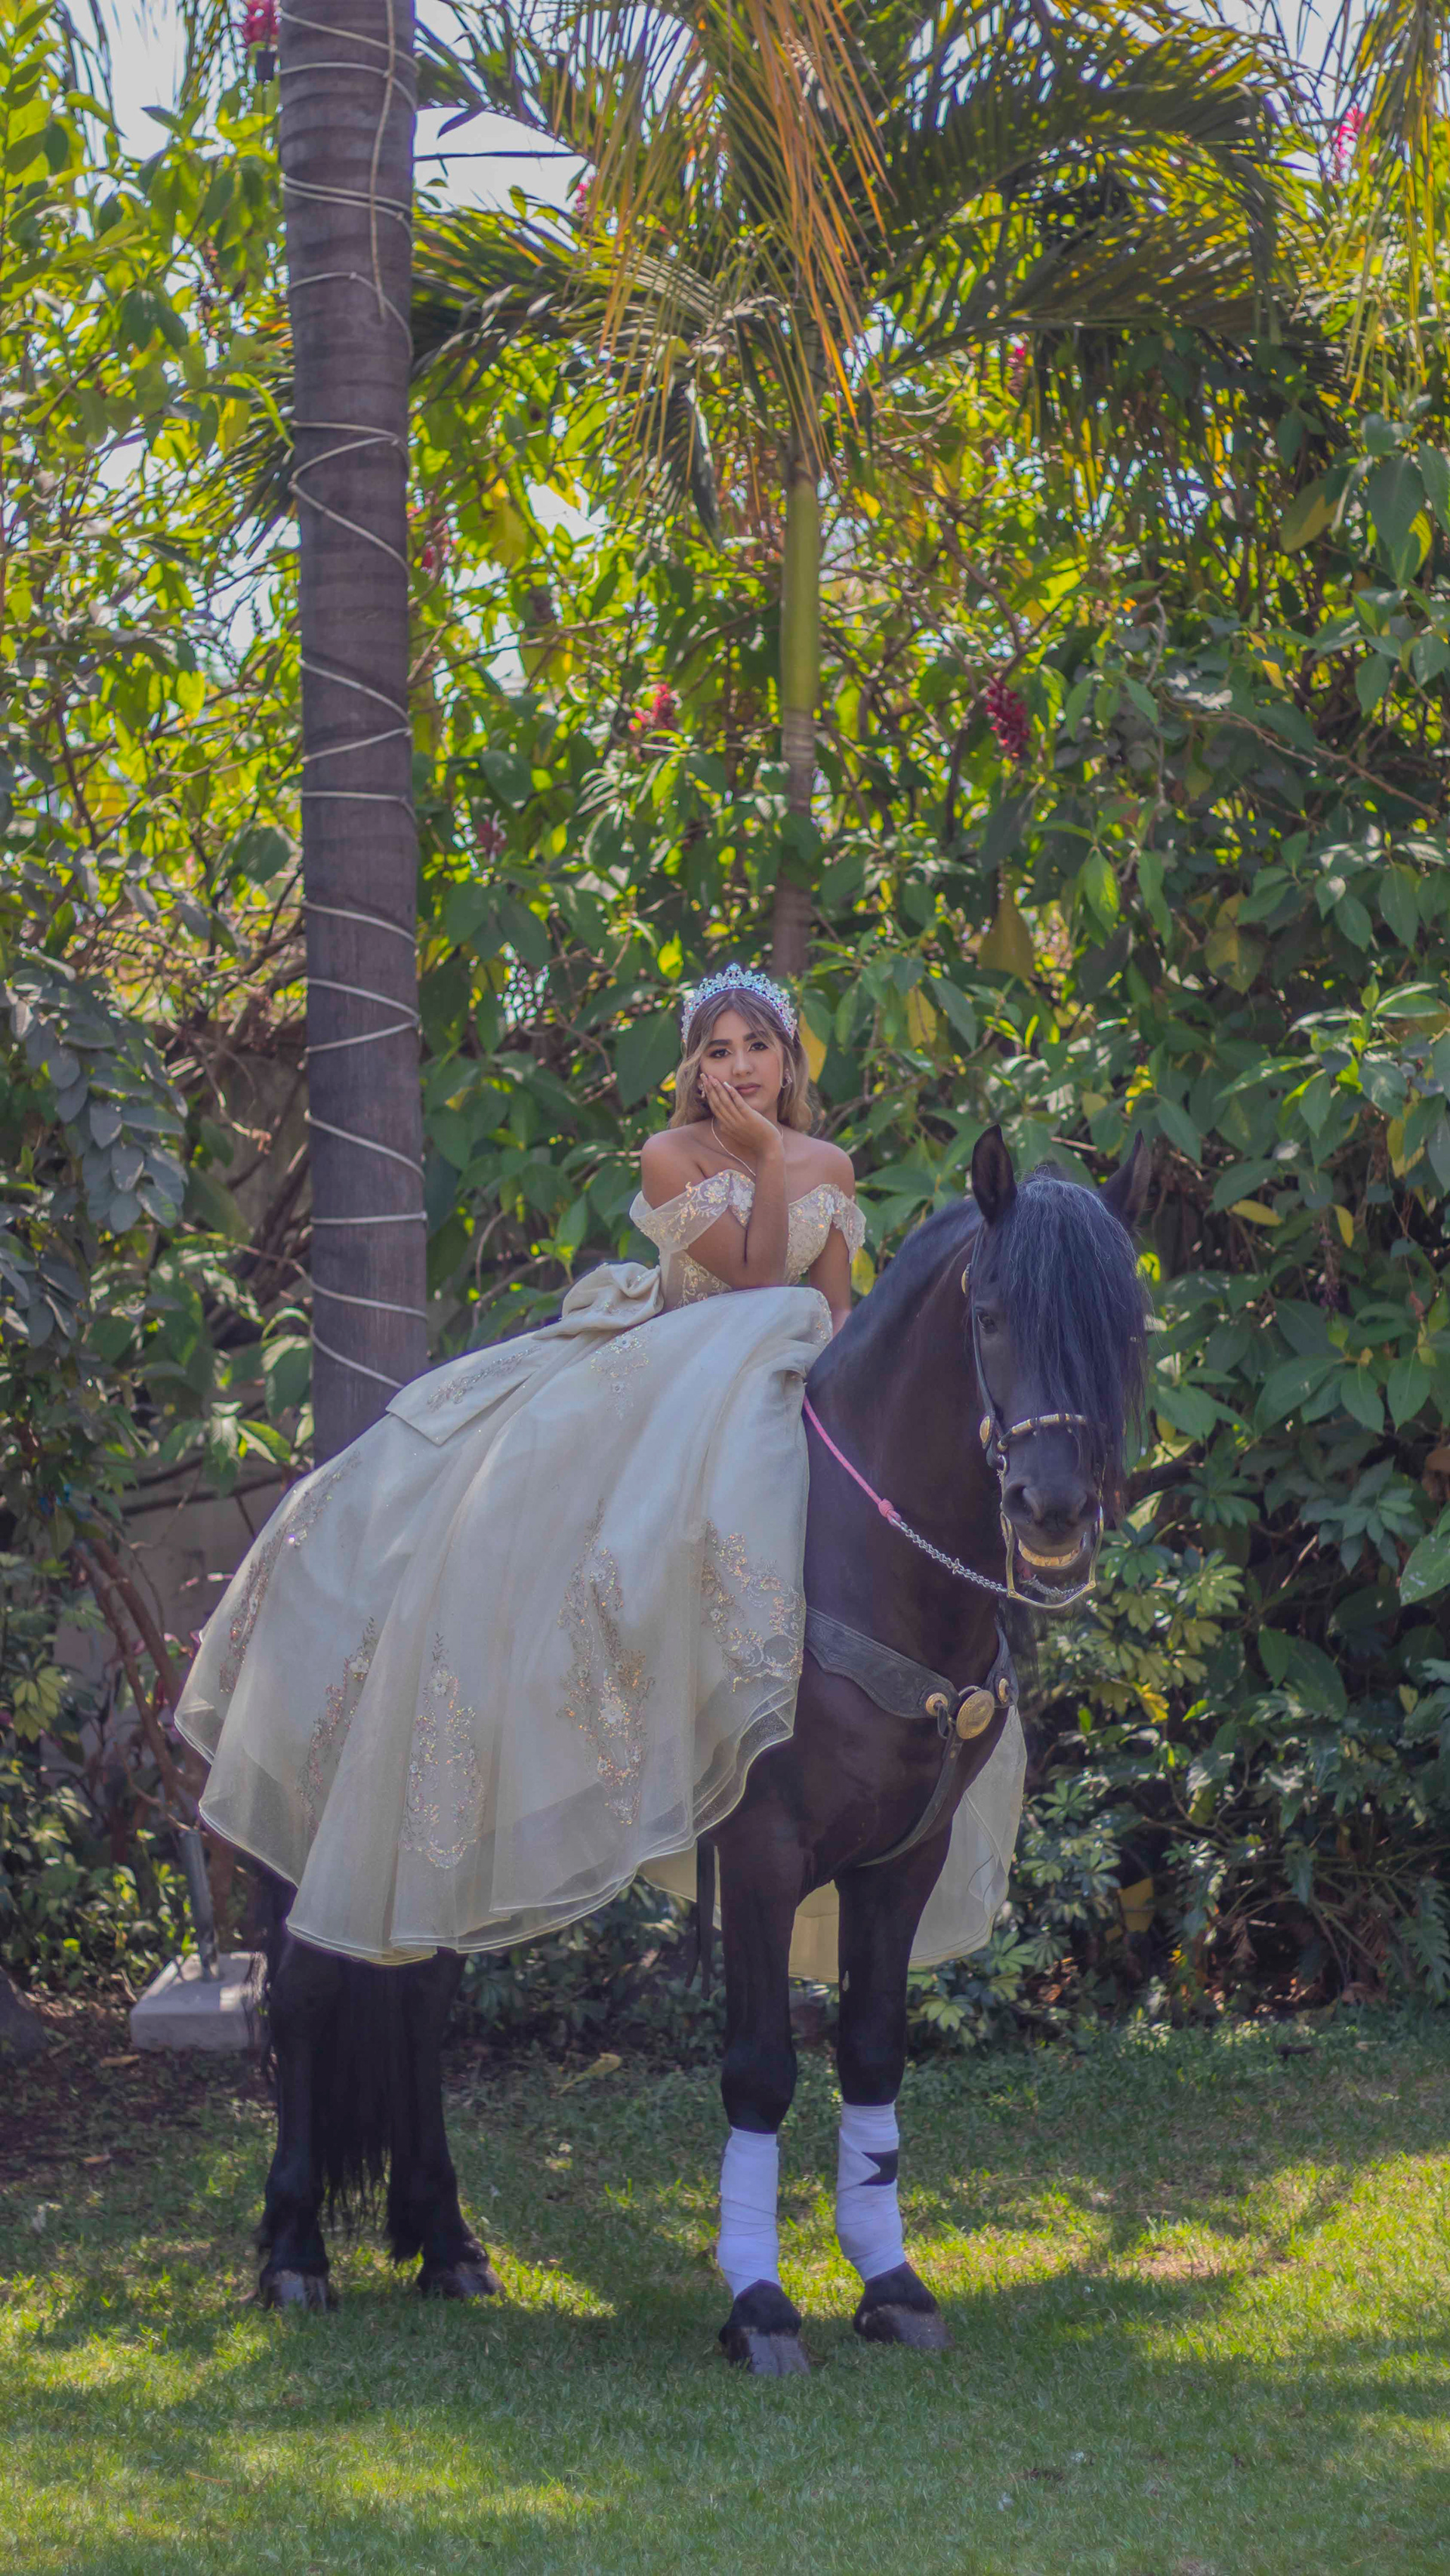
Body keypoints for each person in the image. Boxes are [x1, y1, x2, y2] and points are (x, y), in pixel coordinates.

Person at [174, 966, 864, 1966]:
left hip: (794, 1370)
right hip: (690, 1370)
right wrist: (760, 1154)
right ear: (693, 1069)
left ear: (789, 1059)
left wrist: (840, 1393)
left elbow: (831, 1303)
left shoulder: (831, 1164)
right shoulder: (671, 1154)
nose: (741, 1066)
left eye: (758, 1045)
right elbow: (756, 1283)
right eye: (718, 1050)